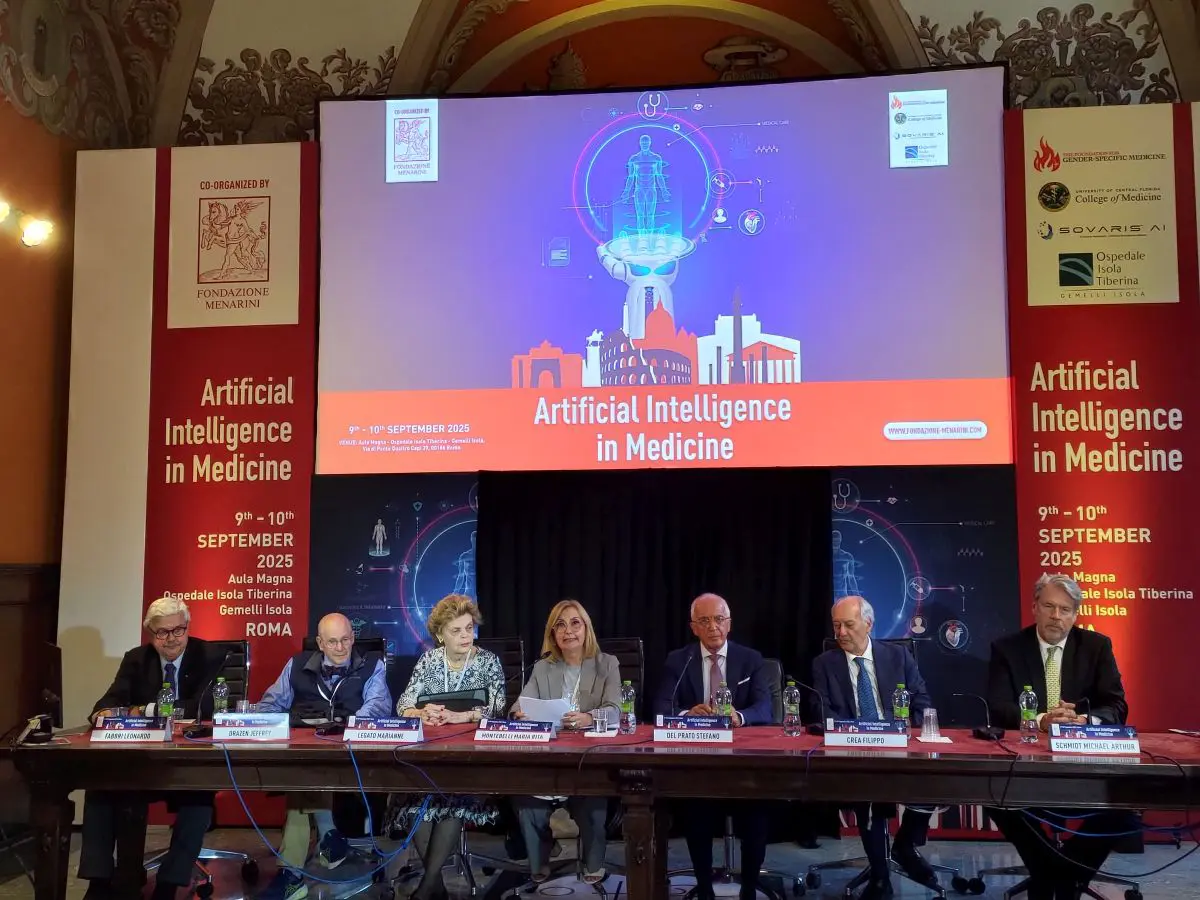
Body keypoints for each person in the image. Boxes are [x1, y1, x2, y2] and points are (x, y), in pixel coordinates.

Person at [986, 573, 1133, 900]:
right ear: (1035, 607)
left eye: (1065, 609)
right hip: (1026, 764)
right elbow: (998, 707)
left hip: (1083, 761)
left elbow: (1116, 705)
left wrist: (1084, 720)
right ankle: (1060, 877)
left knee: (1127, 804)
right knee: (993, 793)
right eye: (1049, 606)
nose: (1056, 616)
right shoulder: (1008, 649)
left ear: (1075, 614)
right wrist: (1041, 720)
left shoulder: (1096, 646)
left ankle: (1056, 876)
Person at [80, 596, 227, 900]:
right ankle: (101, 882)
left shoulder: (210, 655)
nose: (171, 639)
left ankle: (169, 884)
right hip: (145, 763)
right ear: (150, 633)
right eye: (163, 632)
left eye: (178, 630)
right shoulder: (137, 658)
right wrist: (102, 713)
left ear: (187, 628)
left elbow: (206, 706)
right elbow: (110, 700)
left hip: (189, 764)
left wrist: (144, 710)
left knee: (199, 799)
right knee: (101, 787)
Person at [256, 613, 391, 900]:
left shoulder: (372, 665)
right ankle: (327, 840)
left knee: (302, 781)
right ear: (319, 643)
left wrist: (348, 728)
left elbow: (378, 707)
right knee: (305, 772)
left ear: (353, 638)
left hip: (353, 757)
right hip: (306, 752)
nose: (340, 648)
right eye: (332, 642)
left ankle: (293, 873)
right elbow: (270, 705)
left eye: (345, 640)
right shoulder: (296, 665)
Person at [812, 595, 939, 900]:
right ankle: (881, 876)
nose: (841, 632)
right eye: (836, 625)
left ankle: (905, 844)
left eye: (848, 624)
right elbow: (820, 710)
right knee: (868, 783)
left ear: (868, 624)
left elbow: (922, 701)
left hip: (899, 744)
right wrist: (856, 733)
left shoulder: (898, 656)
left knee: (936, 774)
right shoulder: (824, 664)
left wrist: (902, 729)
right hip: (854, 749)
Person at [652, 593, 773, 900]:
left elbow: (765, 708)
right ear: (693, 627)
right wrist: (686, 714)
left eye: (719, 619)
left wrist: (739, 716)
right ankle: (704, 889)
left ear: (729, 623)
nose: (713, 627)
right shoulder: (679, 660)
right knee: (696, 811)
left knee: (757, 812)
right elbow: (661, 707)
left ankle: (749, 889)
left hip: (744, 765)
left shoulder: (751, 659)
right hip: (699, 764)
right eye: (704, 621)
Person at [386, 594, 506, 900]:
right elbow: (403, 705)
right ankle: (435, 886)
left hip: (470, 761)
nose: (465, 636)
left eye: (469, 628)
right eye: (456, 630)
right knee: (411, 804)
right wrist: (421, 712)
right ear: (441, 635)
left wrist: (462, 716)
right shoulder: (428, 661)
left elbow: (498, 709)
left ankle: (426, 890)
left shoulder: (488, 661)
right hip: (429, 757)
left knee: (454, 802)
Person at [512, 600, 621, 883]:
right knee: (527, 802)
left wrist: (588, 717)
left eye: (575, 623)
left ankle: (593, 863)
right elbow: (518, 706)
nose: (568, 630)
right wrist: (520, 713)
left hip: (589, 758)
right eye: (559, 625)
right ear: (552, 633)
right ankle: (539, 862)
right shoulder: (543, 667)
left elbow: (615, 710)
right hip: (549, 758)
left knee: (593, 801)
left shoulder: (607, 664)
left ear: (586, 629)